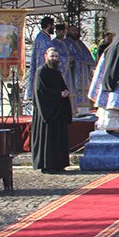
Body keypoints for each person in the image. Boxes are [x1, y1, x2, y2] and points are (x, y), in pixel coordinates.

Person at [31, 46, 72, 174]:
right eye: (52, 56)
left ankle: (59, 163)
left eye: (56, 57)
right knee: (47, 140)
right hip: (46, 112)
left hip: (57, 110)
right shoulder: (41, 72)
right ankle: (47, 165)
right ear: (46, 56)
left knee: (58, 138)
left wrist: (65, 93)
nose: (54, 59)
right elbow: (40, 92)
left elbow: (62, 87)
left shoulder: (57, 72)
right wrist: (58, 95)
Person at [26, 16, 68, 98]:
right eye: (53, 26)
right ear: (49, 26)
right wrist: (67, 59)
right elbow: (48, 58)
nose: (53, 28)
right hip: (45, 75)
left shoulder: (42, 37)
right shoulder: (44, 40)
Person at [64, 25, 95, 116]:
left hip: (84, 73)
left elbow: (88, 57)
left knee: (84, 91)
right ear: (68, 32)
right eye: (73, 30)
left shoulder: (81, 43)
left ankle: (84, 110)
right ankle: (75, 109)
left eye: (76, 31)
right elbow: (67, 57)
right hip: (74, 73)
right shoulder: (66, 43)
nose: (75, 32)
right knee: (75, 90)